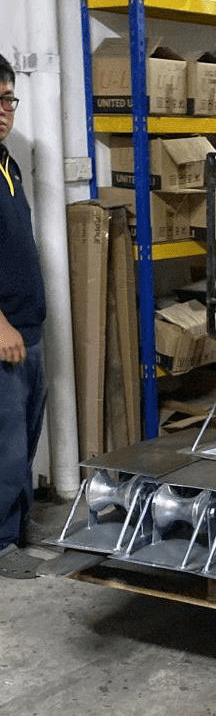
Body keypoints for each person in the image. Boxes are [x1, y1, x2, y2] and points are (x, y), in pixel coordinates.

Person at [0, 54, 47, 578]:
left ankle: (17, 529)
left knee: (23, 439)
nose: (3, 109)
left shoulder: (7, 162)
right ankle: (0, 544)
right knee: (5, 441)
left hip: (27, 326)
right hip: (5, 329)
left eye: (9, 98)